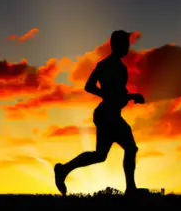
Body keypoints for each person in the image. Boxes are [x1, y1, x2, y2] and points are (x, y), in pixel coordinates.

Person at [54, 30, 147, 196]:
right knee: (130, 148)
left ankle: (63, 169)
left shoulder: (115, 66)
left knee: (100, 155)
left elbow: (111, 91)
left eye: (128, 43)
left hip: (109, 114)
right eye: (125, 43)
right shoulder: (110, 66)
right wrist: (114, 96)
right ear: (115, 45)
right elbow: (91, 86)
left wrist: (129, 96)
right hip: (107, 114)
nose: (127, 47)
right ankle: (131, 189)